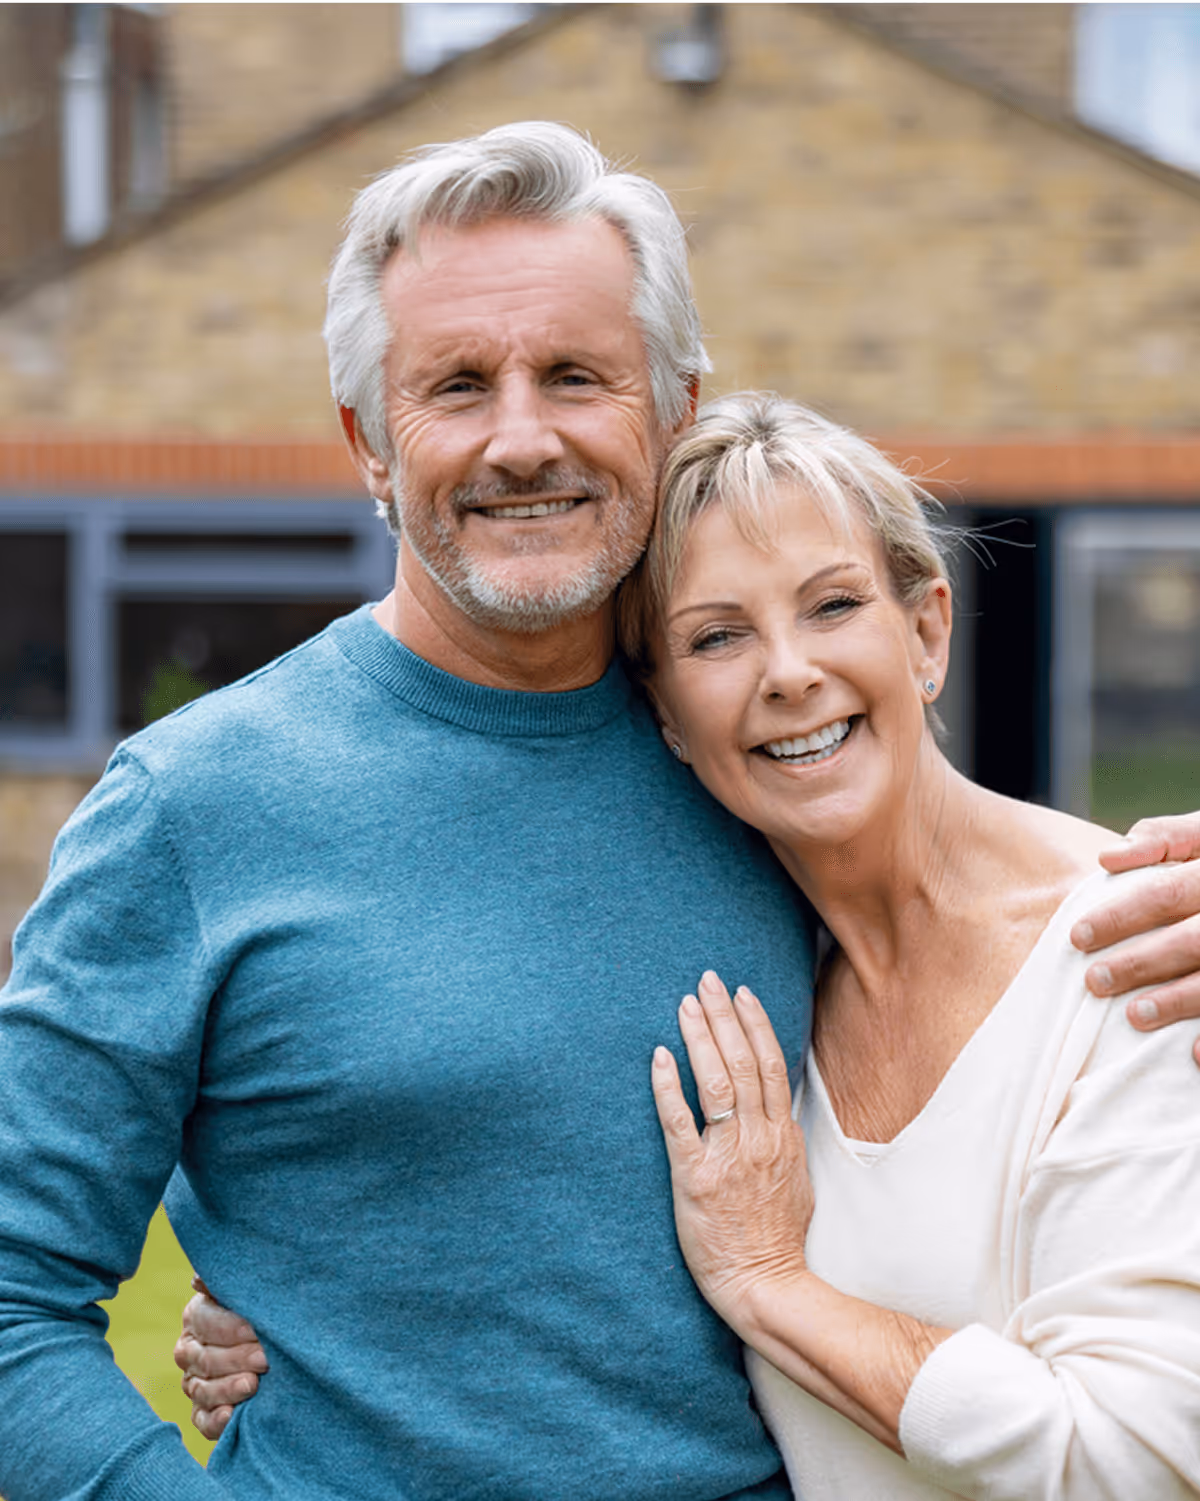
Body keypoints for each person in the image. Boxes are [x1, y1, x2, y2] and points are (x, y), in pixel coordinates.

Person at [0, 125, 1197, 1501]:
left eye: (575, 375)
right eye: (458, 386)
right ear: (370, 442)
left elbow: (984, 917)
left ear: (673, 409)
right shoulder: (194, 809)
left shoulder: (752, 757)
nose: (523, 439)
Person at [636, 394, 1200, 1497]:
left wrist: (770, 1283)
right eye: (716, 636)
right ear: (666, 715)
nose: (788, 671)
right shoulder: (745, 994)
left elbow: (1135, 1459)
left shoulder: (1137, 953)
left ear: (928, 632)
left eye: (833, 604)